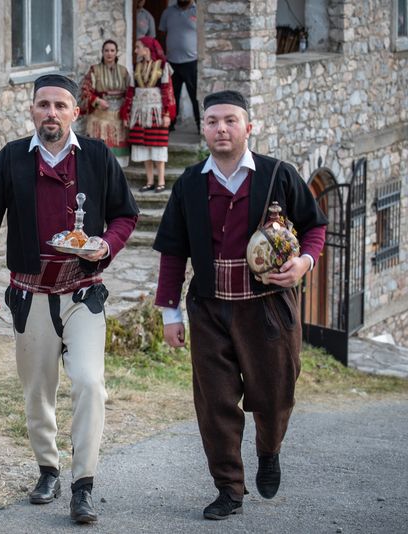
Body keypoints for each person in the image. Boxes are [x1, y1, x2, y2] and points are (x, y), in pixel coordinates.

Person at [0, 74, 138, 525]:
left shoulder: (98, 157)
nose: (51, 113)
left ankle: (84, 484)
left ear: (75, 112)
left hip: (83, 293)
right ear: (31, 110)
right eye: (43, 105)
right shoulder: (11, 160)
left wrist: (106, 246)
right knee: (37, 391)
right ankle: (47, 469)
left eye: (61, 105)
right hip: (30, 295)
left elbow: (126, 214)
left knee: (89, 383)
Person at [153, 90, 327, 520]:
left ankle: (269, 451)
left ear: (249, 127)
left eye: (230, 120)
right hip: (210, 308)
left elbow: (315, 227)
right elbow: (173, 252)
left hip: (268, 309)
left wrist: (304, 263)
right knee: (215, 403)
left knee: (274, 397)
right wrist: (170, 313)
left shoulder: (277, 176)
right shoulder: (190, 183)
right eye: (211, 121)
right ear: (204, 129)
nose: (221, 129)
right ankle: (229, 488)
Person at [123, 37, 176, 192]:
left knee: (158, 145)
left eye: (138, 47)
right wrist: (127, 113)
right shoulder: (136, 67)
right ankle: (149, 180)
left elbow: (167, 90)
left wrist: (167, 113)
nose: (135, 50)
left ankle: (161, 181)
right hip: (139, 111)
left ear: (146, 49)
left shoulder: (163, 66)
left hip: (156, 111)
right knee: (143, 145)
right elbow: (131, 91)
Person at [79, 39, 133, 167]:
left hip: (118, 115)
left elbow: (130, 93)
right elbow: (85, 90)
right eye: (106, 50)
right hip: (100, 116)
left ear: (116, 53)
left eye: (112, 50)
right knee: (100, 153)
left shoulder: (123, 71)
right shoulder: (95, 70)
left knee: (118, 155)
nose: (109, 53)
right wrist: (96, 101)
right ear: (102, 52)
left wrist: (126, 111)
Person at [159, 0, 199, 132]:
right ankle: (170, 125)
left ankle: (200, 125)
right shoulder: (168, 12)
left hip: (191, 61)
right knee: (171, 96)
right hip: (171, 62)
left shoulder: (198, 11)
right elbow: (162, 34)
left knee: (195, 96)